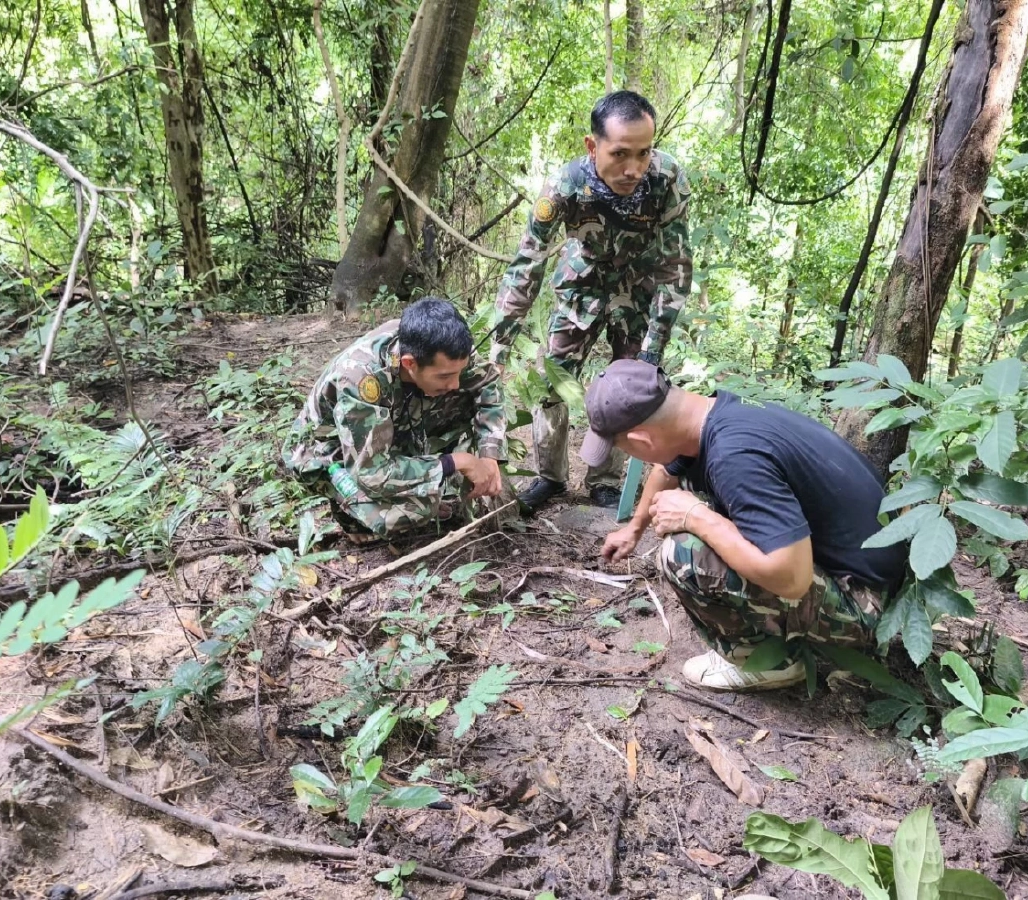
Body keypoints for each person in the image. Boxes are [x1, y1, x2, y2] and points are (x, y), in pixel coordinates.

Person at [585, 360, 906, 692]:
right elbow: (666, 470)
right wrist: (634, 529)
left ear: (642, 440)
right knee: (696, 509)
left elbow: (792, 579)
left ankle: (767, 663)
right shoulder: (711, 414)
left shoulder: (734, 458)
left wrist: (696, 517)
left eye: (624, 448)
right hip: (865, 565)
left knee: (683, 552)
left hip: (867, 604)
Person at [491, 90, 692, 512]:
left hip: (638, 290)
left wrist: (654, 347)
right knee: (552, 381)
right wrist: (500, 344)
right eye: (620, 154)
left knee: (630, 386)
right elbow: (526, 265)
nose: (633, 168)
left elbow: (676, 265)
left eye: (644, 153)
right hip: (580, 287)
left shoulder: (667, 178)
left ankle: (605, 479)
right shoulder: (564, 186)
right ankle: (550, 476)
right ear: (592, 145)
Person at [283, 297, 505, 540]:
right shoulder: (361, 380)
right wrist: (454, 462)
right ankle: (351, 515)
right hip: (326, 451)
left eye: (459, 372)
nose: (454, 383)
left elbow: (488, 382)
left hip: (382, 428)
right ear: (410, 363)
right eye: (444, 376)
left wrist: (489, 454)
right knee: (415, 509)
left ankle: (416, 475)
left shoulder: (444, 349)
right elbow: (371, 474)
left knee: (460, 397)